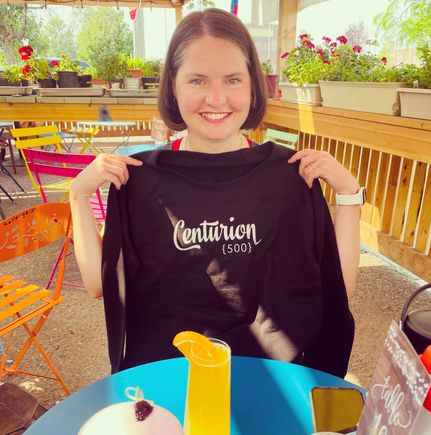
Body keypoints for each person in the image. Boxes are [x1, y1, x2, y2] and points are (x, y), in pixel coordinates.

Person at [70, 8, 361, 377]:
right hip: (172, 380)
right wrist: (78, 196)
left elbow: (337, 289)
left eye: (233, 80)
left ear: (253, 86)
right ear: (173, 86)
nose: (216, 98)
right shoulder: (140, 181)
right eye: (198, 81)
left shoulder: (291, 176)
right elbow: (100, 285)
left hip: (269, 378)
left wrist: (349, 195)